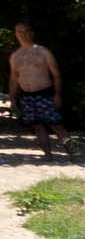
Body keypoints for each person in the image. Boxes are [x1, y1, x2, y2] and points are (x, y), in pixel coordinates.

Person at [9, 25, 65, 157]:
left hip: (45, 93)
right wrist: (12, 100)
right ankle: (47, 155)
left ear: (31, 33)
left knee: (56, 125)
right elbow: (14, 79)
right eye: (19, 32)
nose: (22, 34)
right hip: (26, 96)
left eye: (25, 31)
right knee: (37, 126)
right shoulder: (15, 56)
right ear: (15, 34)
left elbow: (56, 75)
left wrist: (57, 95)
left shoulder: (43, 52)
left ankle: (74, 152)